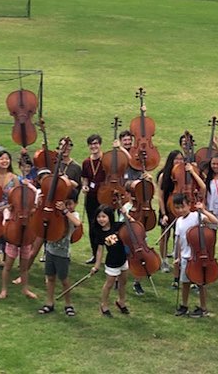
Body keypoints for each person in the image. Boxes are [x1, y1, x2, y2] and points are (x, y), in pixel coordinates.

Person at [172, 193, 218, 317]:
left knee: (201, 283)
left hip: (198, 257)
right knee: (185, 282)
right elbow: (179, 241)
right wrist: (178, 257)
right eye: (177, 208)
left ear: (189, 205)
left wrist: (203, 210)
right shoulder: (179, 221)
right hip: (186, 257)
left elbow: (215, 223)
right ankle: (184, 305)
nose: (180, 210)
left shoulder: (196, 216)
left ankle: (203, 307)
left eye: (182, 207)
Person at [37, 192, 81, 316]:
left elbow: (78, 224)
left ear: (76, 204)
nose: (68, 206)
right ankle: (49, 303)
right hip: (50, 250)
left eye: (70, 204)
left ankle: (68, 304)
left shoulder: (73, 214)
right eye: (66, 203)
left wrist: (65, 211)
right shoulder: (55, 214)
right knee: (50, 277)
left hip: (63, 253)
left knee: (64, 279)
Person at [0, 177, 40, 300]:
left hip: (27, 233)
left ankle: (25, 289)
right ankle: (4, 289)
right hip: (14, 233)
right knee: (8, 266)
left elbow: (35, 207)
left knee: (24, 267)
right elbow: (7, 212)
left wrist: (33, 210)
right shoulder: (11, 204)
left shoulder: (32, 199)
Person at [91, 204, 129, 317]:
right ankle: (104, 305)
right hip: (112, 263)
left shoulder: (118, 226)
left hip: (123, 259)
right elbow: (99, 250)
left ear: (109, 217)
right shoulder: (99, 232)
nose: (101, 219)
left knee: (123, 282)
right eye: (99, 217)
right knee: (109, 284)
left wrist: (125, 214)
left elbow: (131, 225)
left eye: (104, 216)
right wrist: (96, 266)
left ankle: (121, 301)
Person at [156, 150, 183, 273]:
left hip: (180, 208)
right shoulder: (164, 175)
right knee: (165, 235)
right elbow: (160, 196)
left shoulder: (183, 174)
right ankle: (164, 260)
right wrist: (163, 213)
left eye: (181, 159)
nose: (179, 162)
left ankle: (178, 259)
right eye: (176, 159)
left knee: (178, 235)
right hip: (167, 207)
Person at [81, 133, 105, 264]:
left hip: (104, 198)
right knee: (92, 227)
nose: (94, 146)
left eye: (96, 143)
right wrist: (84, 187)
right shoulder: (86, 162)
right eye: (91, 144)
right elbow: (85, 178)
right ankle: (95, 254)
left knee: (106, 226)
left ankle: (108, 254)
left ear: (100, 145)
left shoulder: (105, 159)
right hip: (91, 198)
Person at [0, 150, 18, 268]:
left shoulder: (14, 177)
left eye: (7, 158)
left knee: (8, 235)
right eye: (1, 158)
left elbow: (18, 195)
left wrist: (12, 206)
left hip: (9, 209)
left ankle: (6, 259)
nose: (4, 161)